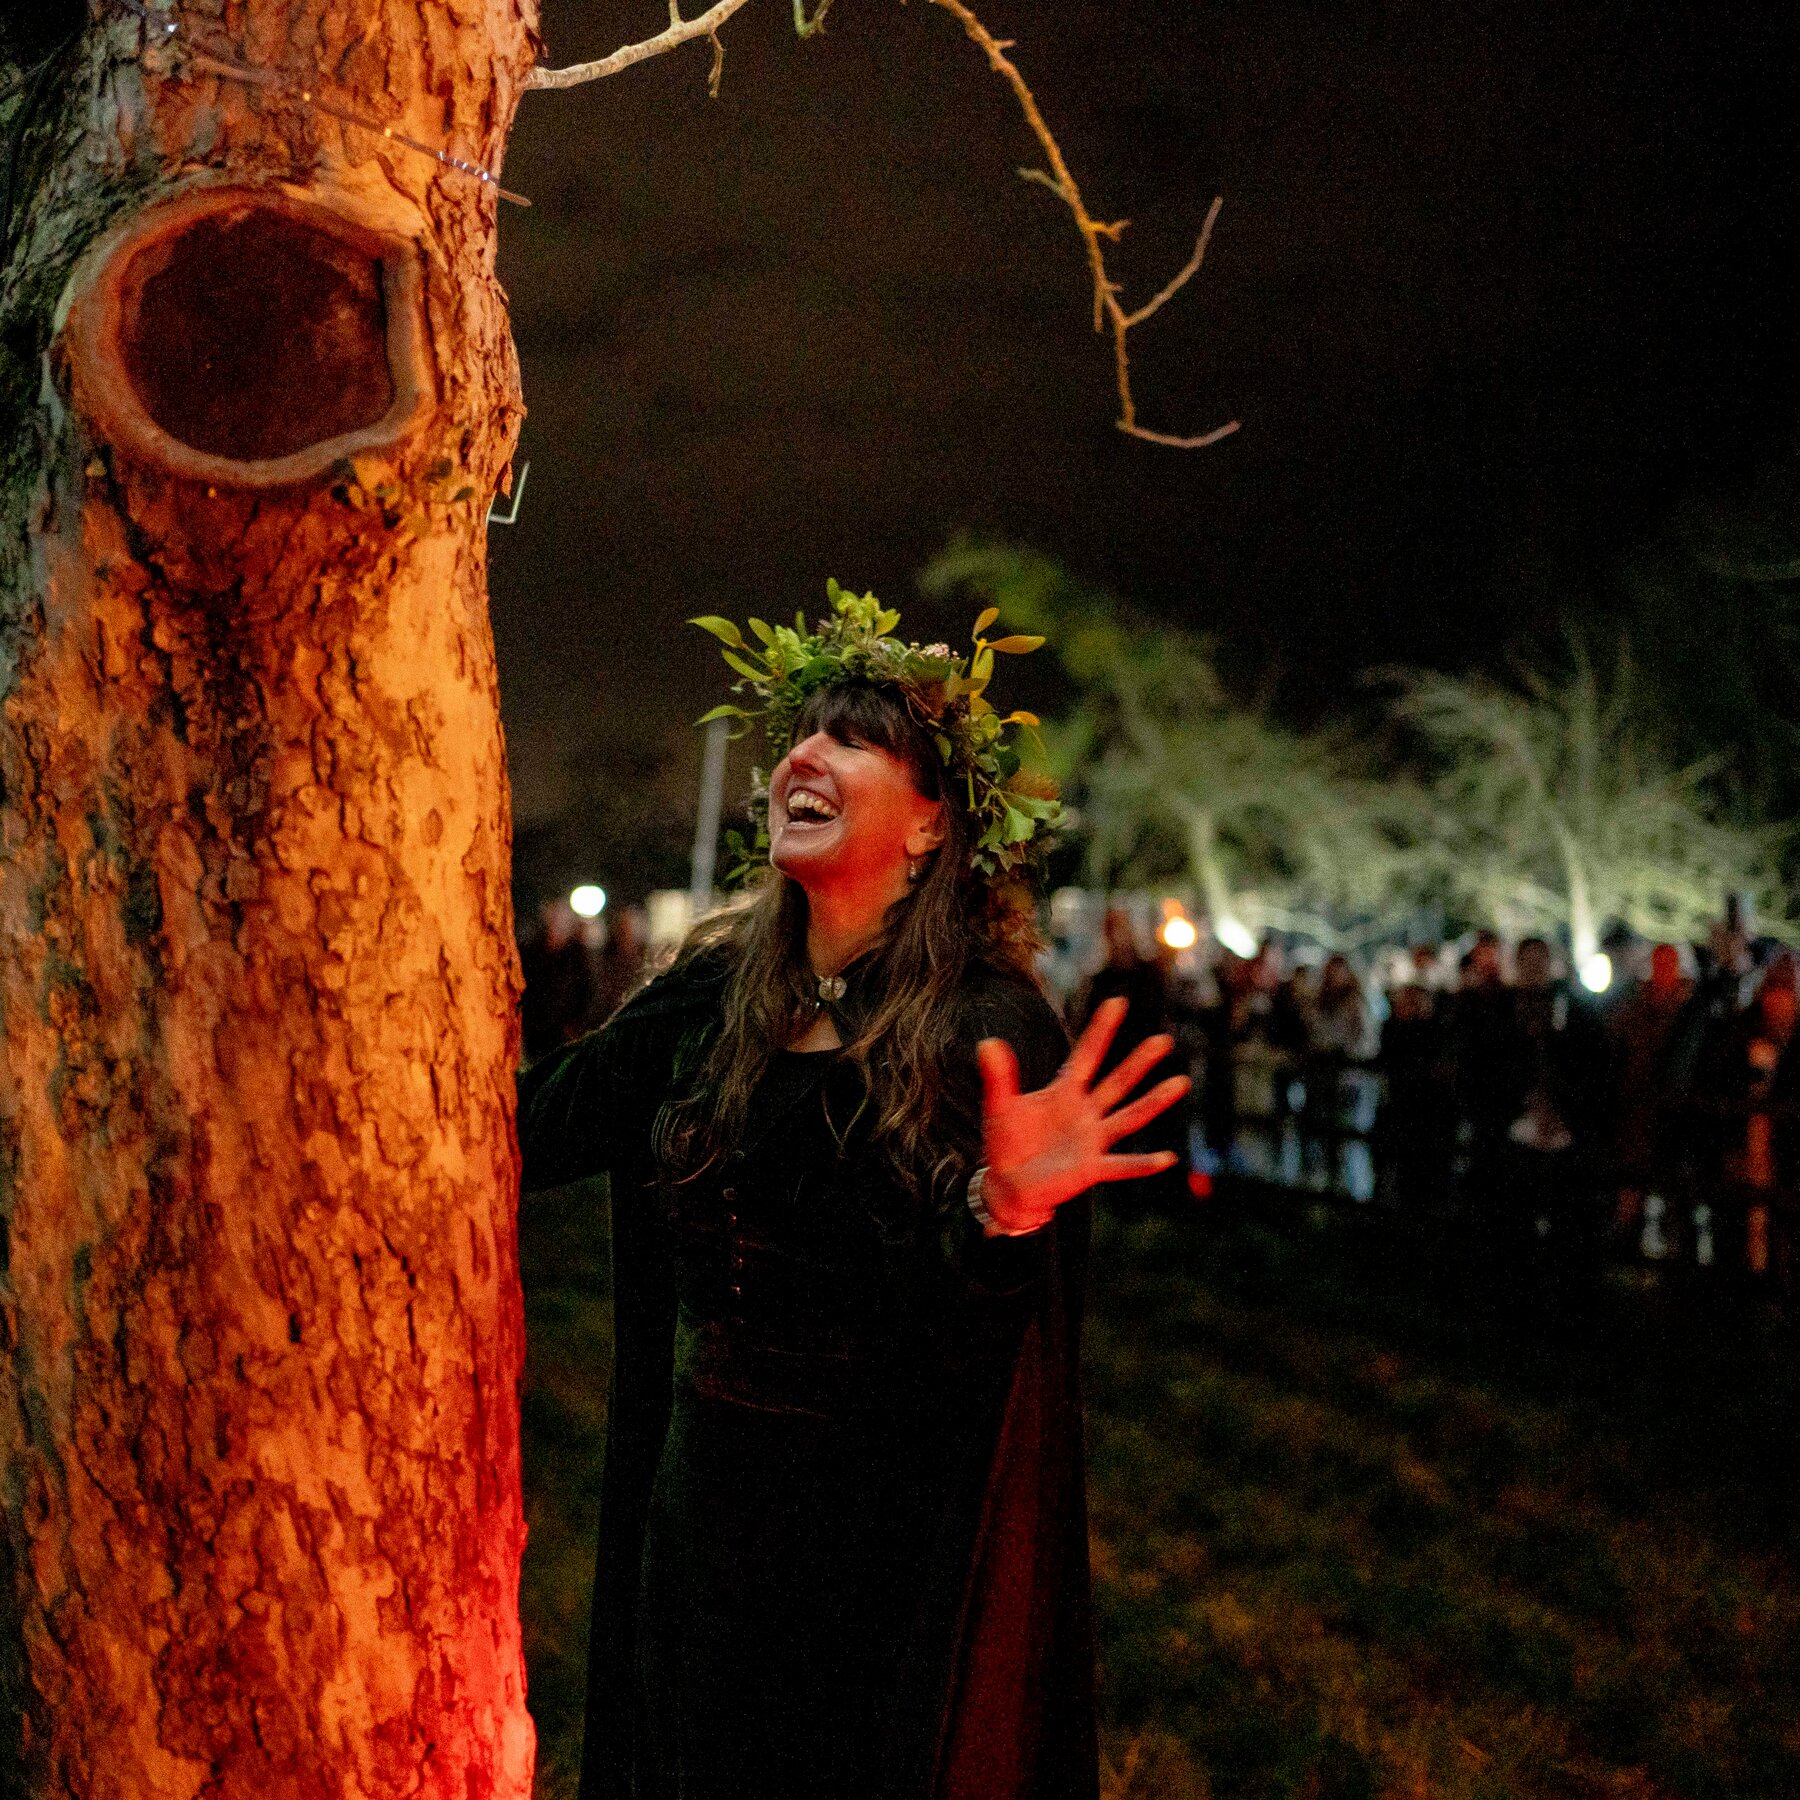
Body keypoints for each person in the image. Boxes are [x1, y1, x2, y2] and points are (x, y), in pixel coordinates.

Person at [518, 584, 1187, 1800]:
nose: (803, 756)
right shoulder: (714, 996)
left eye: (856, 738)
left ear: (934, 829)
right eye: (803, 736)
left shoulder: (980, 1031)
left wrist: (1003, 1215)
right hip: (692, 1524)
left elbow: (970, 1346)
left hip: (866, 1560)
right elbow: (526, 1131)